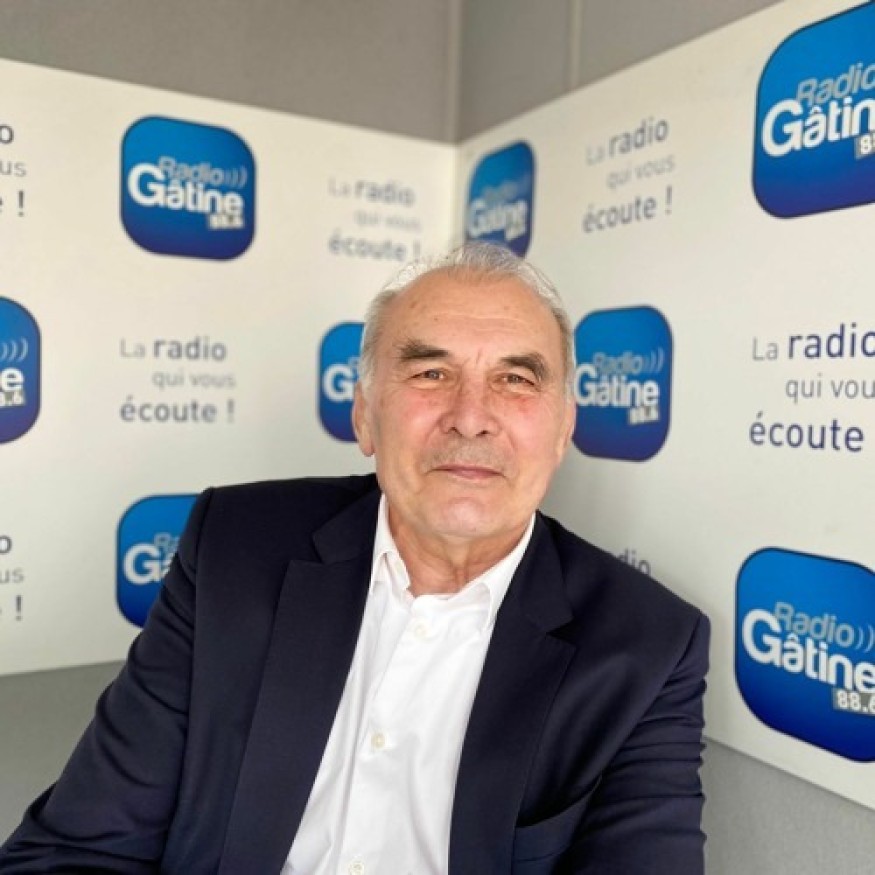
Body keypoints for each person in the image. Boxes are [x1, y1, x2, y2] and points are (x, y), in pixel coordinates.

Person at [0, 243, 709, 874]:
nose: (471, 416)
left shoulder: (648, 647)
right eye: (430, 372)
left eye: (516, 380)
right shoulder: (234, 549)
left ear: (562, 430)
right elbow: (76, 849)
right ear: (365, 414)